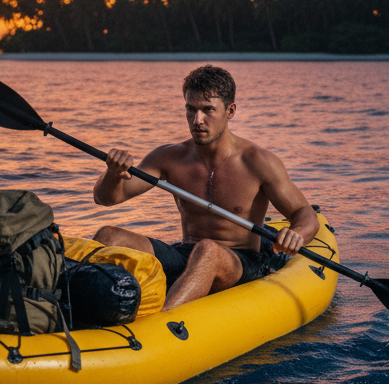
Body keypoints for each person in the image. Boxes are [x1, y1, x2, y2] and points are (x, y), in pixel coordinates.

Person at [92, 65, 319, 310]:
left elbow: (305, 214)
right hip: (185, 254)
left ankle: (162, 325)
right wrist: (113, 174)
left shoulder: (257, 162)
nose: (197, 120)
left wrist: (297, 234)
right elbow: (106, 199)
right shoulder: (170, 157)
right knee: (108, 236)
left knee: (208, 250)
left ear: (230, 111)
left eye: (208, 110)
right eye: (191, 109)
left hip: (240, 260)